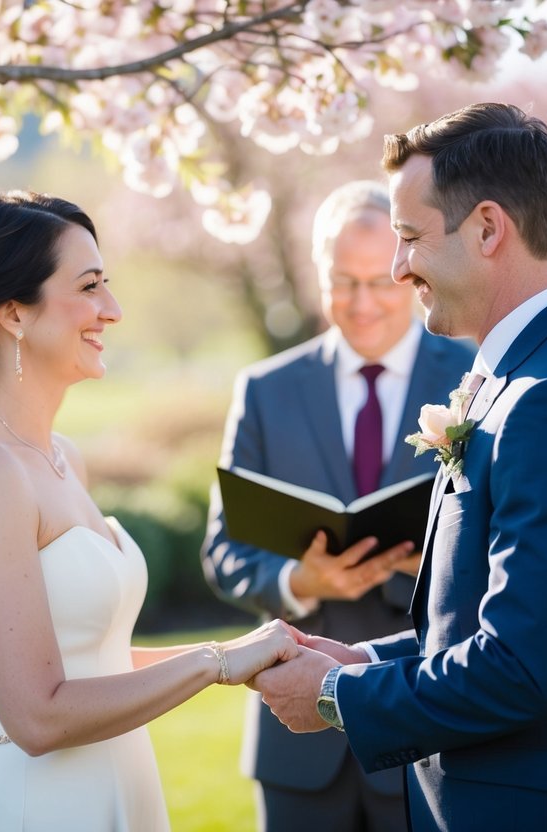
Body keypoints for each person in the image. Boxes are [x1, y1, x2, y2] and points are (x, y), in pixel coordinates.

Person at [252, 103, 547, 831]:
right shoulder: (543, 368)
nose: (395, 270)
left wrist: (335, 697)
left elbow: (522, 671)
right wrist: (362, 659)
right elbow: (488, 620)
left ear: (488, 229)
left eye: (410, 237)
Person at [0, 189, 298, 832]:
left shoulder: (60, 458)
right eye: (90, 286)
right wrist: (214, 663)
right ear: (14, 311)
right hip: (31, 810)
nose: (114, 310)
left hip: (114, 795)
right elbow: (39, 715)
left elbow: (90, 665)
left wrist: (237, 655)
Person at [202, 181, 475, 831]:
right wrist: (298, 579)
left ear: (410, 273)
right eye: (340, 282)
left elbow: (503, 546)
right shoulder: (265, 390)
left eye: (378, 282)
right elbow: (221, 550)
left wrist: (424, 564)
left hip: (425, 723)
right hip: (295, 746)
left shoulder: (476, 377)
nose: (361, 304)